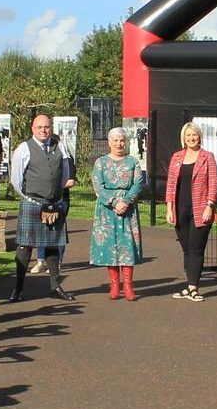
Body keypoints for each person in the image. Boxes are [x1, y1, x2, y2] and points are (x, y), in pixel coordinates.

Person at [8, 113, 78, 302]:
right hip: (32, 203)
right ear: (32, 129)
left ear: (51, 128)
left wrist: (57, 192)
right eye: (39, 127)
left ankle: (55, 287)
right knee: (25, 245)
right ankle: (18, 289)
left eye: (46, 127)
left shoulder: (59, 146)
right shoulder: (24, 148)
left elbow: (65, 171)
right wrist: (31, 197)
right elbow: (16, 179)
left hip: (54, 203)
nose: (43, 130)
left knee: (53, 245)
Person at [164, 122, 217, 301]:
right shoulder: (177, 157)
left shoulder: (207, 157)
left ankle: (193, 287)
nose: (191, 138)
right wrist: (169, 207)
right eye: (188, 136)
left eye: (194, 135)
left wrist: (209, 206)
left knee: (196, 249)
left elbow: (213, 183)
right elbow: (171, 184)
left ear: (199, 136)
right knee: (186, 249)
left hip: (200, 209)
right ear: (183, 138)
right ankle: (189, 285)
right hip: (180, 209)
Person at [90, 127, 147, 300]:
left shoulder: (133, 162)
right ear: (109, 142)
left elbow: (138, 183)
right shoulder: (100, 162)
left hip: (127, 209)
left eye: (122, 140)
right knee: (110, 246)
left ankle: (128, 286)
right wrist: (114, 202)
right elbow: (98, 186)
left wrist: (126, 201)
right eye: (115, 140)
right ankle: (115, 285)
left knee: (127, 246)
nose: (119, 143)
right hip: (107, 209)